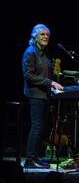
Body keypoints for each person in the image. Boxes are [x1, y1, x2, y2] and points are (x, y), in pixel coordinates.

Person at [22, 24, 63, 168]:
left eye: (47, 35)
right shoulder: (30, 52)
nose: (46, 37)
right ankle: (30, 158)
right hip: (35, 95)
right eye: (42, 35)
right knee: (37, 126)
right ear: (35, 36)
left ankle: (36, 157)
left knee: (42, 127)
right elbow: (28, 76)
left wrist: (54, 82)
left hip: (44, 95)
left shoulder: (44, 53)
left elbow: (45, 74)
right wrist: (50, 82)